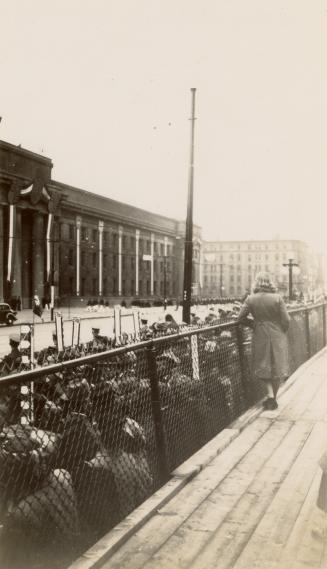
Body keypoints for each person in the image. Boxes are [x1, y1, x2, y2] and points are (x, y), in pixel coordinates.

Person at [238, 272, 290, 410]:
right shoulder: (277, 298)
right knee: (277, 364)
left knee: (263, 364)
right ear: (270, 282)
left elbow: (240, 318)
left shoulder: (250, 299)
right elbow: (286, 320)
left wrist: (254, 324)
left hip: (260, 334)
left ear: (256, 282)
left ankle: (271, 396)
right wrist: (281, 329)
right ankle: (273, 397)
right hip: (277, 334)